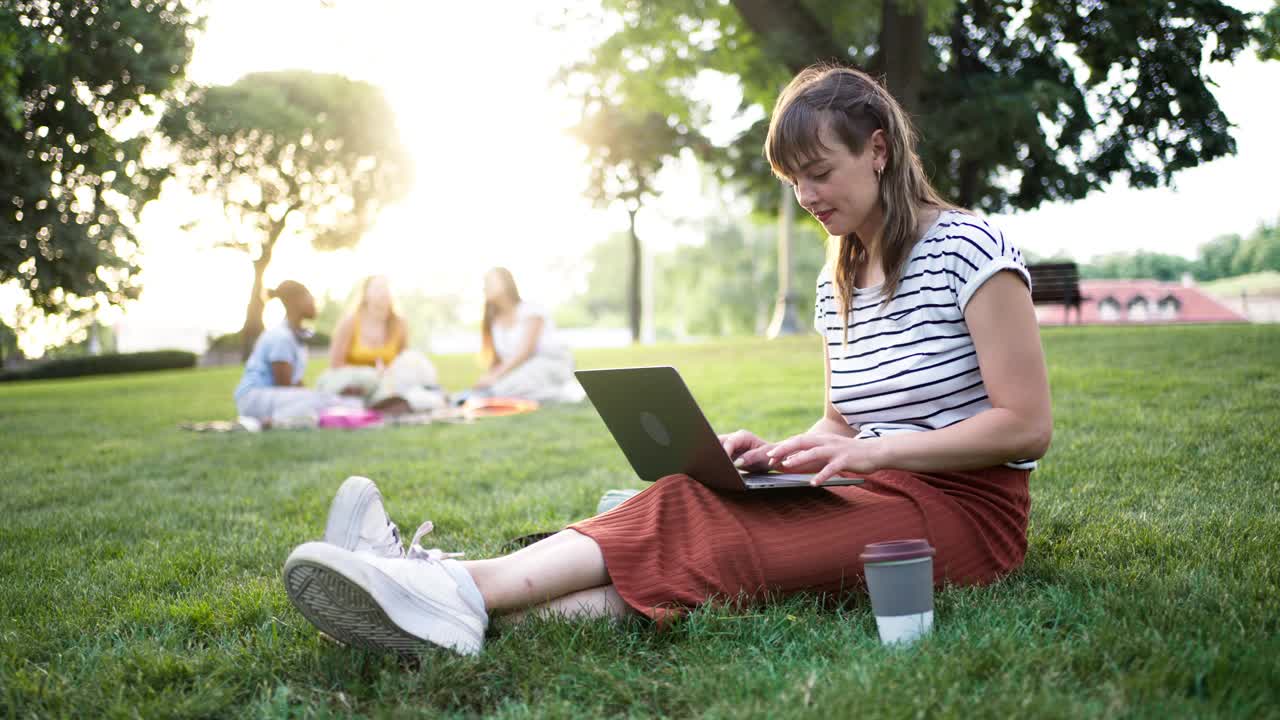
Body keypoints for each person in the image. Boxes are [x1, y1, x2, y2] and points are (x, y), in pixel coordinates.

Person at [280, 63, 1053, 657]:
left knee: (709, 532)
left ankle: (442, 582)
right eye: (794, 182)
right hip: (871, 488)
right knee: (695, 494)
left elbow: (1024, 427)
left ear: (877, 149)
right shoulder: (837, 277)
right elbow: (842, 422)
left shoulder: (968, 248)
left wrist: (869, 451)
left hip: (963, 516)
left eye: (821, 172)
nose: (808, 196)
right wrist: (781, 452)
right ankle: (443, 615)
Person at [316, 275, 445, 415]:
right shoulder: (350, 322)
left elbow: (403, 359)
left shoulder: (399, 323)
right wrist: (372, 373)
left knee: (414, 362)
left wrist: (386, 372)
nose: (383, 293)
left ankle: (391, 402)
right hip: (352, 378)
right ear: (365, 294)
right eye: (377, 288)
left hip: (387, 380)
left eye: (386, 288)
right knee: (368, 379)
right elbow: (336, 364)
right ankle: (376, 403)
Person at [233, 281, 346, 428]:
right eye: (311, 299)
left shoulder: (295, 336)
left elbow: (295, 383)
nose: (315, 304)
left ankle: (274, 420)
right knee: (325, 401)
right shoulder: (282, 337)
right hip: (255, 398)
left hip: (273, 397)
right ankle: (269, 421)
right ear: (297, 302)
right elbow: (284, 384)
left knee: (326, 399)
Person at [459, 267, 578, 404]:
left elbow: (525, 352)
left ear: (506, 283)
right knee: (503, 388)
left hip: (548, 363)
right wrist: (488, 377)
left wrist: (494, 376)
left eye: (489, 282)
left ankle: (569, 393)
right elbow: (500, 360)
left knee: (506, 388)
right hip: (521, 369)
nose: (485, 287)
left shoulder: (531, 310)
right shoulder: (494, 321)